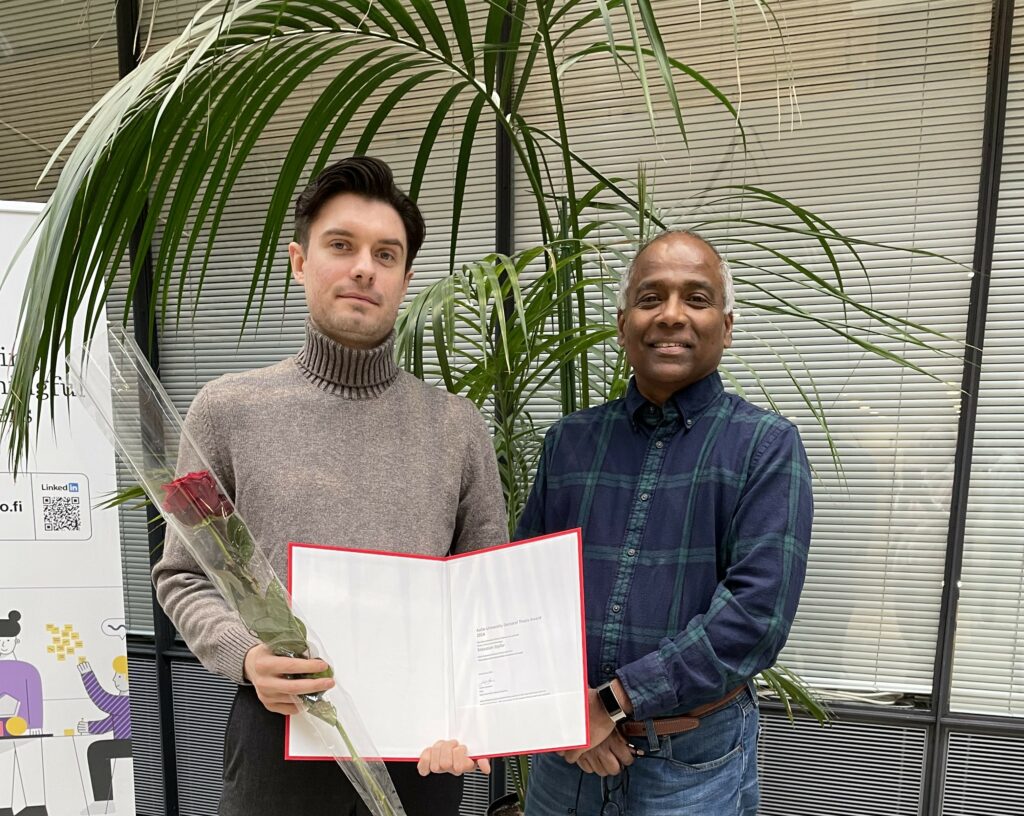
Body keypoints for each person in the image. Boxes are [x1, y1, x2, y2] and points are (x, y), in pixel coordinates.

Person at [152, 156, 507, 816]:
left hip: (424, 750)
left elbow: (484, 596)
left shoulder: (456, 427)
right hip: (276, 732)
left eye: (386, 254)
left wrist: (477, 714)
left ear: (403, 279)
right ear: (299, 260)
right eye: (341, 245)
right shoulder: (227, 409)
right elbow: (183, 574)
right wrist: (246, 655)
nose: (363, 268)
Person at [515, 230, 813, 815]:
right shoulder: (570, 443)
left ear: (725, 327)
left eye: (696, 299)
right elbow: (523, 590)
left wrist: (612, 701)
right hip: (565, 757)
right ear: (624, 323)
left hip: (691, 764)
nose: (672, 315)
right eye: (651, 298)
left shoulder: (765, 447)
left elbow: (756, 616)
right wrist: (569, 713)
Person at [0, 610, 47, 816]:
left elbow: (34, 698)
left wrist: (35, 724)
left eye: (7, 640)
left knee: (27, 771)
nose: (3, 644)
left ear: (16, 641)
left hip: (24, 729)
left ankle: (33, 807)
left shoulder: (27, 670)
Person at [76, 657, 132, 804]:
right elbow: (110, 723)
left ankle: (102, 799)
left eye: (118, 676)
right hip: (125, 743)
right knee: (98, 749)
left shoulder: (124, 702)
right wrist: (89, 727)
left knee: (96, 750)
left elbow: (102, 700)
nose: (114, 679)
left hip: (128, 744)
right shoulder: (122, 703)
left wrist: (88, 674)